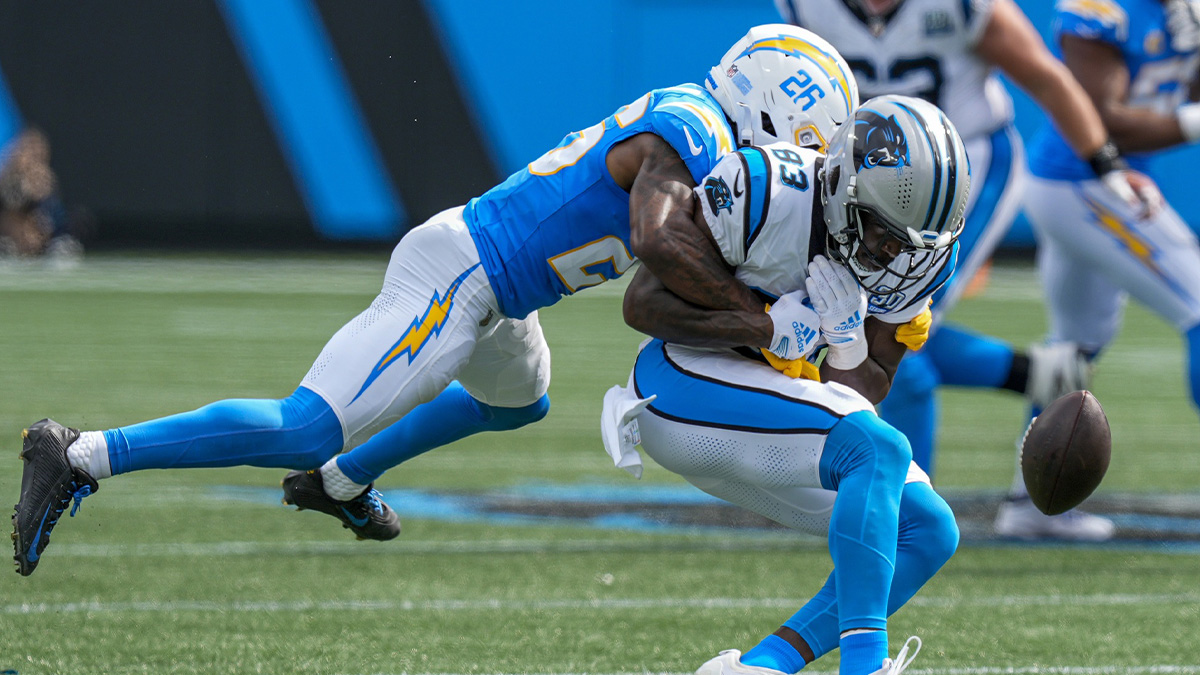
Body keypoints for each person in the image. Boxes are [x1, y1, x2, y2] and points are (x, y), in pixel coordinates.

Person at [10, 25, 861, 576]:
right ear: (777, 102)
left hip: (503, 290)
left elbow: (666, 269)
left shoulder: (703, 123)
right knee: (306, 421)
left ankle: (341, 483)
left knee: (520, 400)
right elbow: (657, 242)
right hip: (465, 273)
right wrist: (764, 320)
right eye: (807, 146)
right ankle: (81, 452)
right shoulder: (698, 126)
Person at [603, 95, 969, 675]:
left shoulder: (919, 260)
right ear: (846, 191)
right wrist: (764, 322)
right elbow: (642, 303)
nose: (897, 261)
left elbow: (860, 392)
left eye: (913, 245)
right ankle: (864, 666)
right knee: (878, 449)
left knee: (926, 528)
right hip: (679, 384)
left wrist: (846, 342)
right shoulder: (768, 190)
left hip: (764, 417)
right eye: (885, 237)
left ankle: (760, 667)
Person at [773, 0, 1161, 540]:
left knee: (892, 338)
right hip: (866, 184)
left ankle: (904, 513)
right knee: (844, 317)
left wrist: (1107, 165)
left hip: (962, 176)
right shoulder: (808, 8)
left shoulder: (958, 6)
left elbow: (1046, 78)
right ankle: (1035, 374)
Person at [1008, 0, 1200, 535]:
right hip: (1081, 184)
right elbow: (1104, 121)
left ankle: (1029, 506)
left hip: (1098, 189)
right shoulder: (1102, 11)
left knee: (1078, 342)